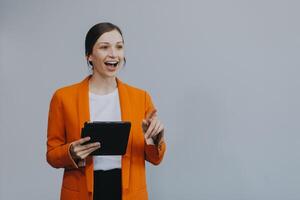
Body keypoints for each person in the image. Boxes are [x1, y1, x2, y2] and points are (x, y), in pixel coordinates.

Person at [46, 22, 166, 200]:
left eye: (119, 47)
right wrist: (70, 152)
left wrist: (155, 140)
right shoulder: (63, 97)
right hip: (81, 192)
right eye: (104, 47)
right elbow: (52, 154)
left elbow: (155, 159)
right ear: (89, 56)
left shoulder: (141, 98)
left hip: (129, 192)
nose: (113, 54)